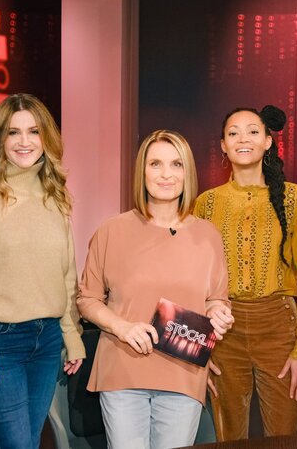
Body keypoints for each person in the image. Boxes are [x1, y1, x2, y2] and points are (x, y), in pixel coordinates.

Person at [0, 93, 86, 449]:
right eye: (13, 132)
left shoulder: (56, 196)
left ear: (46, 139)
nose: (25, 142)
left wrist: (71, 332)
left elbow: (65, 273)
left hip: (48, 340)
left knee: (30, 442)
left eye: (34, 131)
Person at [77, 130, 234, 449]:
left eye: (176, 164)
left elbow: (217, 298)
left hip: (183, 374)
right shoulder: (112, 230)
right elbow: (87, 299)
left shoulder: (208, 236)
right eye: (156, 164)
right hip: (123, 371)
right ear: (142, 171)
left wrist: (219, 314)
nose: (166, 174)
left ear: (187, 172)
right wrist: (121, 327)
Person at [193, 106, 297, 440]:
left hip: (279, 329)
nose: (243, 139)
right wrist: (197, 352)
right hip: (224, 331)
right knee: (228, 437)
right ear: (223, 145)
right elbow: (193, 282)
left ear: (268, 141)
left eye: (253, 131)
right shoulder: (205, 204)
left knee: (283, 437)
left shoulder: (294, 199)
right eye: (233, 132)